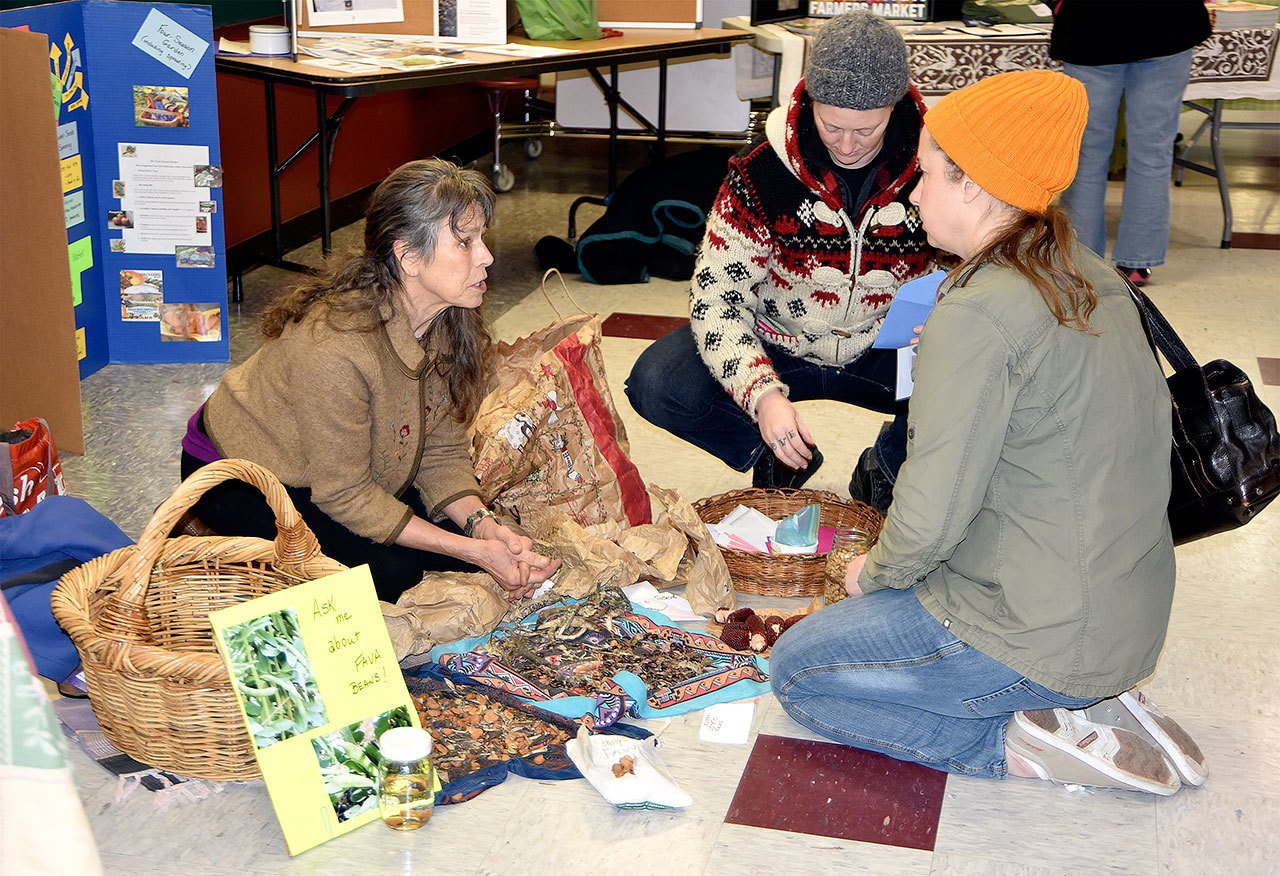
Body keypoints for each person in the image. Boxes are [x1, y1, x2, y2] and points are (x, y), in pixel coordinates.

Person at [770, 71, 1207, 795]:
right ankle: (1091, 701)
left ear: (973, 185)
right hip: (1125, 614)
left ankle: (1020, 741)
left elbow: (932, 511)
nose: (913, 194)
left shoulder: (977, 311)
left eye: (929, 175)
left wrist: (869, 576)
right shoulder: (1088, 271)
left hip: (1039, 630)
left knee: (800, 672)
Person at [180, 159, 559, 603]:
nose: (487, 257)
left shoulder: (448, 321)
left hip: (341, 471)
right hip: (240, 472)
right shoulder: (335, 347)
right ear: (408, 256)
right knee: (393, 573)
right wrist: (473, 551)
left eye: (480, 239)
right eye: (465, 242)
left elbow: (441, 452)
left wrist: (484, 527)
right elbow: (345, 494)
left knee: (469, 544)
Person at [625, 11, 934, 509]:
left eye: (866, 130)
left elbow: (977, 278)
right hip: (778, 340)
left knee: (986, 380)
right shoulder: (760, 174)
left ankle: (887, 465)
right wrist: (762, 395)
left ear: (895, 107)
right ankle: (776, 454)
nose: (848, 146)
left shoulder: (934, 168)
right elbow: (715, 300)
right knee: (659, 381)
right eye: (832, 126)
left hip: (886, 351)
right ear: (809, 97)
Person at [1051, 0, 1211, 286]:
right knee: (1152, 152)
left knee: (1087, 153)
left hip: (1090, 27)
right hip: (1168, 26)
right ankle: (1138, 260)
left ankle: (1082, 259)